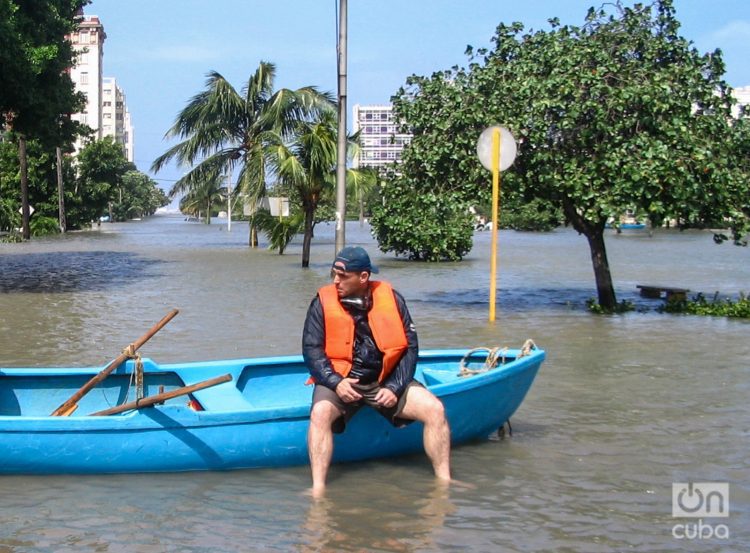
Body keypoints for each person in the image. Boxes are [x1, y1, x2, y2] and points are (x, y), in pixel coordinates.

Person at [303, 246, 451, 496]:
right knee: (319, 414)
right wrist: (335, 382)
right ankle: (318, 489)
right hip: (341, 380)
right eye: (334, 274)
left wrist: (395, 387)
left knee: (435, 409)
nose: (336, 281)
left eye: (343, 275)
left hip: (385, 380)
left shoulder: (393, 299)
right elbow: (311, 350)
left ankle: (445, 483)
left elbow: (410, 349)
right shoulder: (321, 302)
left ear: (363, 277)